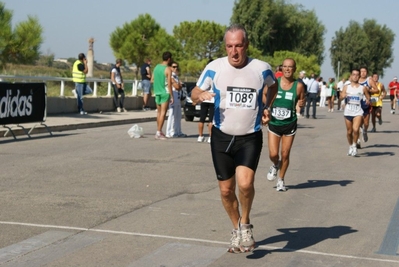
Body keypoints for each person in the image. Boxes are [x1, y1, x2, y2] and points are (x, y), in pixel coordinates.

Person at [191, 24, 277, 253]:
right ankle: (235, 228)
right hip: (221, 136)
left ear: (246, 45)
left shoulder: (261, 68)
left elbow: (273, 85)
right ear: (225, 47)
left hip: (250, 136)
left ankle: (245, 224)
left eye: (238, 45)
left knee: (245, 184)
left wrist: (266, 105)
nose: (234, 51)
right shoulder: (214, 67)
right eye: (229, 46)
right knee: (226, 191)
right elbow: (194, 93)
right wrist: (200, 95)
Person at [266, 58, 305, 192]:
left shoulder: (298, 86)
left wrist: (301, 105)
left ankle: (281, 180)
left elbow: (301, 100)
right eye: (285, 66)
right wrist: (265, 109)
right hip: (274, 122)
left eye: (290, 67)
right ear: (281, 68)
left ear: (294, 69)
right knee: (273, 153)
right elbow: (264, 95)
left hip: (290, 123)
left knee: (285, 153)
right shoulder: (274, 84)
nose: (287, 69)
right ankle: (275, 164)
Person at [340, 68, 371, 157]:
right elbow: (341, 97)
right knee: (349, 132)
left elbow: (368, 96)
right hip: (348, 111)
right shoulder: (346, 87)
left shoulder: (363, 88)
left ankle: (354, 146)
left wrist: (368, 100)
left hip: (358, 111)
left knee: (356, 129)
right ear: (351, 76)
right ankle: (350, 146)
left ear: (359, 76)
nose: (355, 76)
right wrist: (343, 96)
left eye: (357, 75)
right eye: (354, 74)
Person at [151, 51, 173, 140]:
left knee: (159, 113)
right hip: (165, 92)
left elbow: (152, 79)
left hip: (157, 92)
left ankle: (159, 130)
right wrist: (172, 95)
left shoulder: (156, 67)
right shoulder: (168, 69)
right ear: (169, 59)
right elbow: (169, 84)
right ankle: (158, 132)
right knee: (163, 113)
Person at [358, 66, 379, 147]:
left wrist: (369, 90)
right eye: (361, 71)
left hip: (366, 103)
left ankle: (365, 131)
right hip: (357, 103)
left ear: (367, 72)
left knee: (366, 122)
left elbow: (376, 89)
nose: (363, 73)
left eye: (364, 71)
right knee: (358, 121)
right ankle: (357, 140)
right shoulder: (356, 80)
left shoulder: (369, 80)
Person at [165, 62, 186, 138]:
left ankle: (178, 131)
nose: (175, 68)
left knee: (178, 116)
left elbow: (179, 86)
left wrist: (179, 85)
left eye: (176, 67)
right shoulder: (170, 76)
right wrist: (179, 85)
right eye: (174, 67)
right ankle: (169, 132)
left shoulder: (176, 76)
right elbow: (177, 86)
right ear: (170, 67)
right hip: (173, 96)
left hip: (178, 97)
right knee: (172, 115)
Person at [198, 58, 215, 143]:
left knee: (202, 119)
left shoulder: (205, 74)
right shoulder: (216, 74)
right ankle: (210, 137)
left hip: (204, 99)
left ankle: (200, 136)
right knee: (211, 120)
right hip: (212, 99)